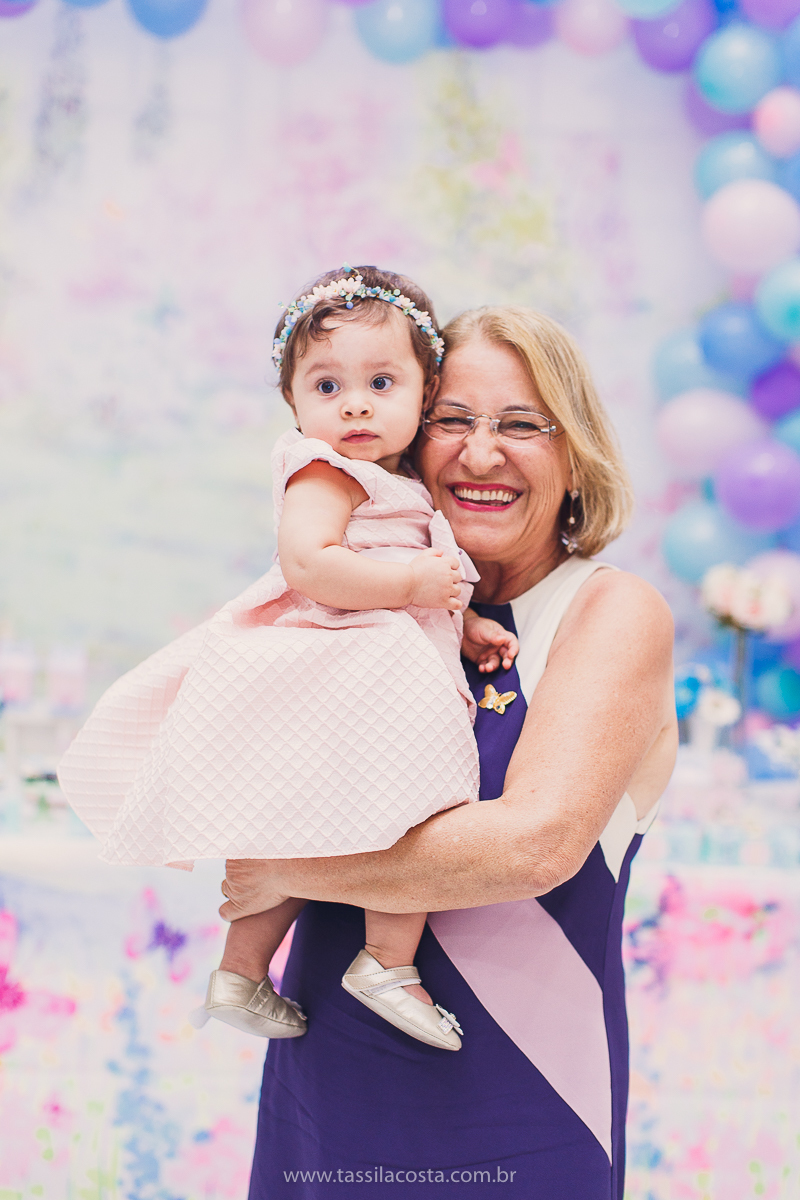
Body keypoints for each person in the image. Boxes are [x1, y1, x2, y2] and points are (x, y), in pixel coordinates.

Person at [220, 305, 678, 1199]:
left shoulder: (610, 612)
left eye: (521, 425)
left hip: (522, 1112)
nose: (479, 454)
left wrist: (281, 864)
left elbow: (529, 846)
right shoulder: (362, 603)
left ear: (576, 451)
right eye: (452, 420)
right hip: (327, 1091)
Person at [57, 266, 520, 1054]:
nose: (356, 404)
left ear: (425, 388)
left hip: (371, 667)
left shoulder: (397, 484)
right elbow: (311, 564)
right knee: (421, 808)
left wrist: (465, 618)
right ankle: (387, 961)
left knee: (299, 830)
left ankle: (239, 977)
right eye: (327, 385)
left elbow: (419, 562)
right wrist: (414, 582)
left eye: (381, 381)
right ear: (295, 405)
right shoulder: (322, 471)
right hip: (339, 667)